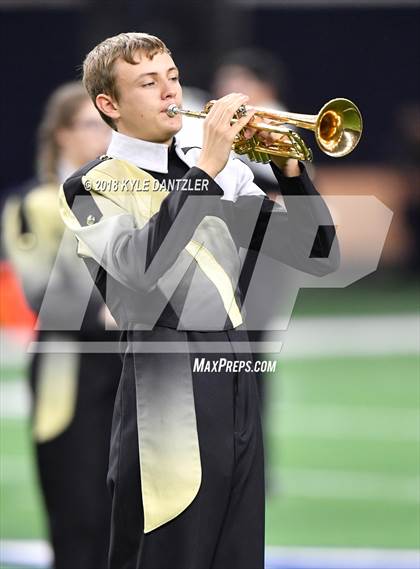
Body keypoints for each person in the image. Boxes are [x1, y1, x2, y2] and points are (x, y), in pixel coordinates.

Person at [58, 32, 339, 569]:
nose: (169, 93)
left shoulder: (222, 174)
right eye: (147, 82)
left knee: (236, 553)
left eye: (172, 77)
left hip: (234, 370)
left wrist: (290, 168)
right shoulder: (90, 186)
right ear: (108, 106)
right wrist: (205, 169)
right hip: (165, 382)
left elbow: (317, 251)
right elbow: (140, 270)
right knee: (171, 552)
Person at [2, 82, 121, 569]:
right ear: (61, 135)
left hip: (134, 373)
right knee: (78, 516)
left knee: (132, 519)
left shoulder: (132, 197)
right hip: (68, 378)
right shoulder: (34, 204)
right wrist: (109, 309)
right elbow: (42, 295)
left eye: (110, 125)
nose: (105, 136)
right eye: (92, 124)